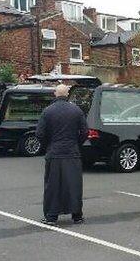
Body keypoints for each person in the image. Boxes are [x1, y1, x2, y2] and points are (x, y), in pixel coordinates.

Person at [36, 84, 87, 226]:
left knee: (53, 185)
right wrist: (76, 143)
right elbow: (85, 132)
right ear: (68, 94)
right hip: (72, 152)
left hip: (54, 152)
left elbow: (39, 133)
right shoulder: (76, 111)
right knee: (74, 185)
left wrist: (49, 145)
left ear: (55, 94)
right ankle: (77, 215)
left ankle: (51, 216)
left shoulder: (48, 111)